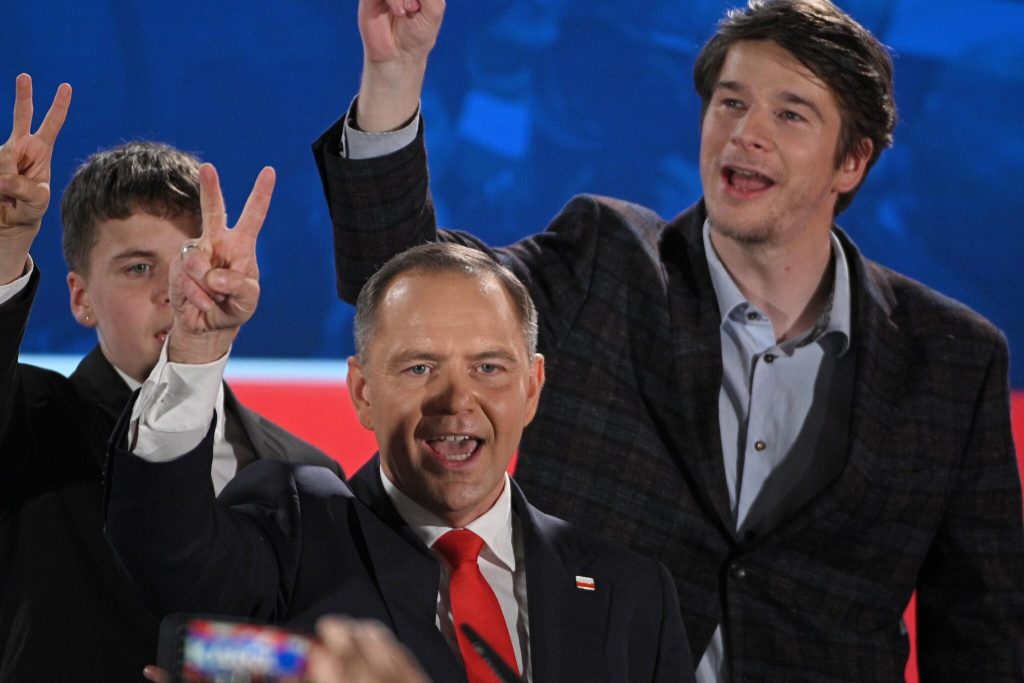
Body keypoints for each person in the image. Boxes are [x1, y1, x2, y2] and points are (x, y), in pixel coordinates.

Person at [311, 0, 1024, 680]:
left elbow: (984, 637)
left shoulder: (952, 360)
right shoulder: (604, 262)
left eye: (790, 113)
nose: (746, 133)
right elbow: (399, 286)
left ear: (852, 161)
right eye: (732, 103)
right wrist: (395, 75)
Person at [102, 174, 694, 682]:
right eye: (419, 368)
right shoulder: (299, 533)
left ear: (533, 386)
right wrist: (197, 348)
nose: (456, 400)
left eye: (489, 368)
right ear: (363, 391)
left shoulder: (633, 593)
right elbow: (167, 551)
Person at [0, 75, 341, 681]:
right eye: (138, 268)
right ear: (80, 298)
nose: (173, 292)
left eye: (190, 261)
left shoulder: (306, 473)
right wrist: (4, 245)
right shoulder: (28, 423)